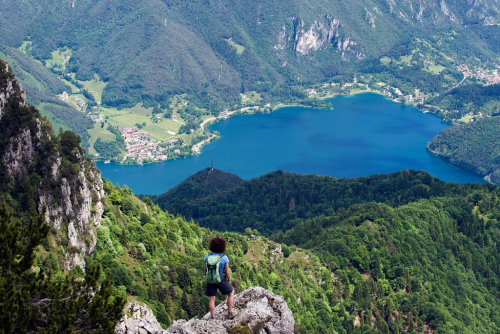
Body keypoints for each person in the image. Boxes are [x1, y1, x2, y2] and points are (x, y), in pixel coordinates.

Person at [204, 236, 239, 319]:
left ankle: (212, 317)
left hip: (210, 279)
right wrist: (229, 280)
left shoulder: (207, 256)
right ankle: (230, 313)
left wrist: (208, 278)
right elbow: (227, 272)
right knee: (231, 293)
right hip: (220, 279)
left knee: (211, 299)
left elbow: (205, 270)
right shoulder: (224, 258)